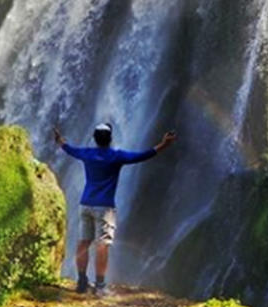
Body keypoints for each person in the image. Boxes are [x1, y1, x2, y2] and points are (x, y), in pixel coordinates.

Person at [53, 122, 177, 295]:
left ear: (94, 139)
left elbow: (69, 149)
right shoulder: (116, 156)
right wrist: (164, 144)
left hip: (85, 204)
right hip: (104, 207)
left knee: (83, 242)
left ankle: (81, 281)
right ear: (110, 139)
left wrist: (60, 141)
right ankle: (100, 286)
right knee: (102, 245)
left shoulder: (86, 154)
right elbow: (143, 156)